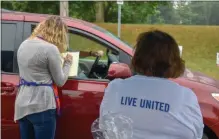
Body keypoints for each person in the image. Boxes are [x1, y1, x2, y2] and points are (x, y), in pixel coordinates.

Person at [99, 30, 204, 139]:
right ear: (174, 62)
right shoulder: (186, 96)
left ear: (137, 58)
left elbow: (104, 127)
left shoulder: (115, 88)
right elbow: (196, 135)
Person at [14, 16, 102, 139]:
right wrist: (67, 63)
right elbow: (60, 81)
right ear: (58, 33)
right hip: (42, 105)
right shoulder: (50, 49)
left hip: (22, 105)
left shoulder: (25, 44)